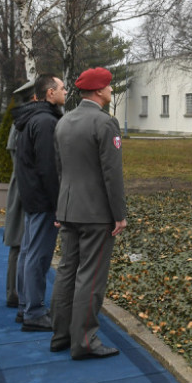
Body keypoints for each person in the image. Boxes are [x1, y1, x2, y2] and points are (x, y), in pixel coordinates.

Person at [50, 67, 126, 360]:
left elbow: (61, 169)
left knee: (67, 271)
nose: (111, 91)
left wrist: (61, 205)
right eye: (108, 87)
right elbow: (112, 174)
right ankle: (83, 341)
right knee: (90, 278)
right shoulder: (105, 123)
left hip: (69, 208)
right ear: (98, 91)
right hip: (95, 213)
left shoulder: (64, 121)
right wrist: (119, 214)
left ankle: (60, 335)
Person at [14, 74, 66, 332]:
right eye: (62, 88)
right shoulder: (45, 122)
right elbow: (48, 167)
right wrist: (59, 204)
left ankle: (26, 306)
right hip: (43, 198)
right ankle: (34, 311)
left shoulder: (32, 118)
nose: (65, 91)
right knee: (38, 254)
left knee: (28, 251)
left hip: (33, 195)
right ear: (49, 94)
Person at [4, 79, 36, 310]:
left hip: (21, 186)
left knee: (20, 243)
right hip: (24, 188)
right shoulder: (24, 123)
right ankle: (16, 292)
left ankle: (15, 291)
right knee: (19, 243)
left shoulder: (20, 122)